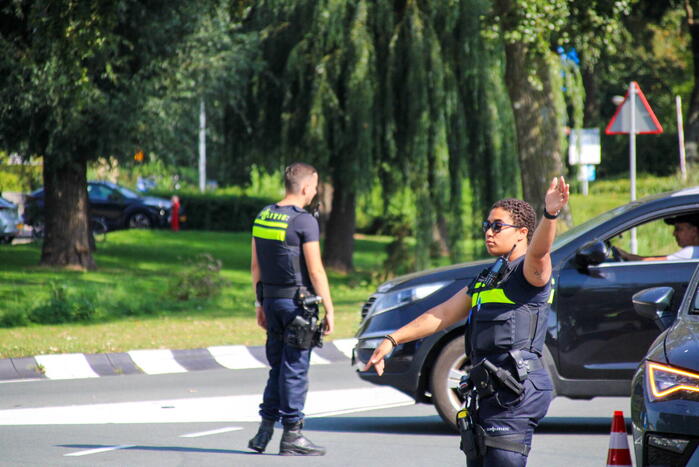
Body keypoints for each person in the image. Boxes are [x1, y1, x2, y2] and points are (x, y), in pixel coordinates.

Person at [364, 177, 570, 466]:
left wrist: (550, 214)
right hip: (489, 388)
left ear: (522, 233)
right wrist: (391, 340)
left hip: (517, 389)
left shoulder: (531, 273)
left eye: (497, 226)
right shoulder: (489, 275)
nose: (489, 232)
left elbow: (540, 251)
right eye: (487, 225)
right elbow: (442, 314)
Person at [248, 162, 335, 456]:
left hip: (272, 302)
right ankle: (293, 435)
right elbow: (316, 270)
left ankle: (264, 431)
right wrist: (330, 309)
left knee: (278, 367)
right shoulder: (303, 221)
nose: (314, 191)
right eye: (314, 185)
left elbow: (256, 266)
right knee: (295, 369)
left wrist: (260, 304)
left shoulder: (264, 215)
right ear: (305, 187)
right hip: (298, 305)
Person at [615, 213, 699, 261]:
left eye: (678, 229)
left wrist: (626, 255)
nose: (674, 233)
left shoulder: (692, 252)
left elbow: (652, 262)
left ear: (694, 231)